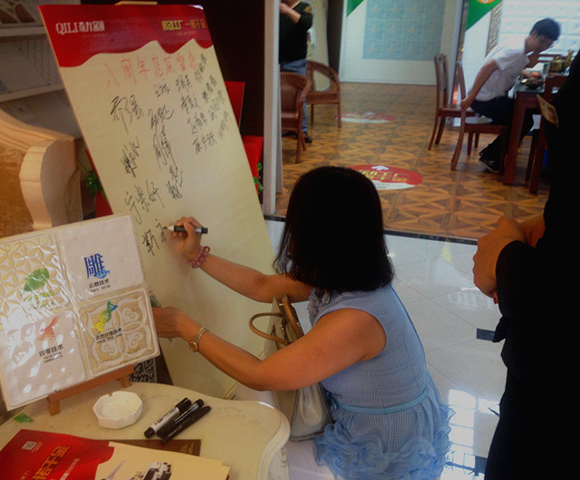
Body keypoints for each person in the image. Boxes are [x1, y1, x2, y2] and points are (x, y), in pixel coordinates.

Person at [153, 166, 452, 480]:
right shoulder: (350, 269)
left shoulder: (355, 320)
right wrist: (196, 256)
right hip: (370, 421)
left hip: (379, 452)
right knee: (246, 406)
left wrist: (183, 326)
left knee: (246, 449)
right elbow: (262, 286)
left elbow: (259, 375)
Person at [473, 53, 579, 479]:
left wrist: (503, 258)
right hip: (539, 371)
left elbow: (556, 298)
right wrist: (551, 222)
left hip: (556, 383)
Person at [461, 18, 560, 173]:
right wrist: (470, 98)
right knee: (524, 119)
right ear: (534, 33)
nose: (543, 47)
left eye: (548, 44)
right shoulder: (515, 50)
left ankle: (493, 154)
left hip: (490, 97)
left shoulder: (520, 45)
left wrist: (525, 68)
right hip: (485, 100)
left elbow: (510, 67)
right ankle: (491, 155)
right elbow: (487, 68)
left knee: (525, 116)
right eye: (541, 41)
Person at [279, 0, 313, 143]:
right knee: (280, 97)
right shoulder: (276, 7)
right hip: (276, 61)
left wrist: (288, 11)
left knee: (298, 96)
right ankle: (285, 127)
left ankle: (302, 130)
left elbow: (306, 23)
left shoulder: (304, 7)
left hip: (295, 61)